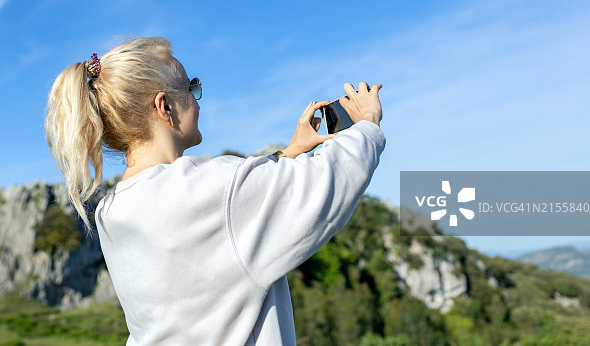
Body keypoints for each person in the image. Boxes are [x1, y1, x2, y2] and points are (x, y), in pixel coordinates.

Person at [44, 36, 385, 345]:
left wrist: (290, 152)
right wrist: (366, 125)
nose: (197, 99)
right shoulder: (209, 189)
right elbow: (328, 183)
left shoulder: (112, 211)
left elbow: (230, 211)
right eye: (190, 87)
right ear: (164, 106)